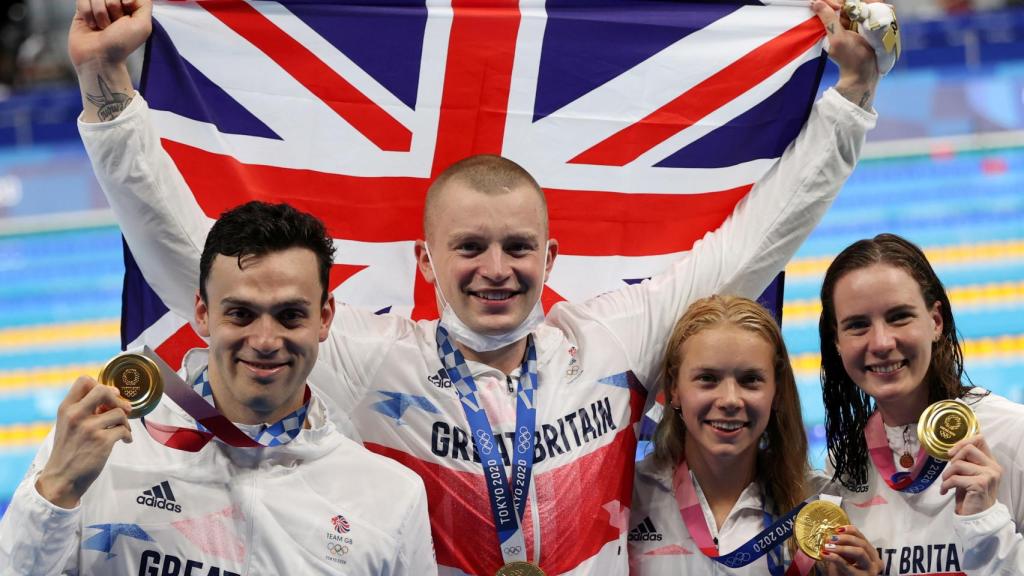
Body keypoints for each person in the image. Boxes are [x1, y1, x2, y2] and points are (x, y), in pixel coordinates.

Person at [68, 0, 884, 573]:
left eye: (518, 247)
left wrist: (851, 97)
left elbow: (755, 239)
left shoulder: (608, 338)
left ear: (551, 256)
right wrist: (109, 92)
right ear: (425, 263)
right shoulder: (372, 357)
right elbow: (195, 266)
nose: (496, 268)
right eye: (469, 247)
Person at [0, 202, 437, 575]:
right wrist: (55, 491)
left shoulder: (390, 497)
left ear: (324, 319)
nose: (265, 341)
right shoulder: (103, 449)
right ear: (203, 313)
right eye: (241, 314)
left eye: (290, 316)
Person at [630, 295, 883, 575]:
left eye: (750, 380)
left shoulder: (819, 505)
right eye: (708, 379)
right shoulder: (630, 498)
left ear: (776, 391)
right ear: (674, 388)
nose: (730, 400)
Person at [819, 232, 1024, 575]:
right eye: (857, 325)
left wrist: (986, 526)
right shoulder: (840, 469)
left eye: (899, 316)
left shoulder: (1013, 435)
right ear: (837, 342)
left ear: (936, 322)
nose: (882, 342)